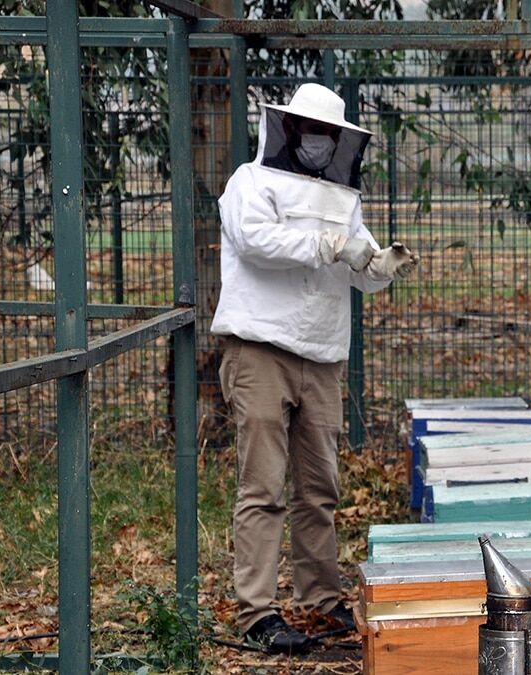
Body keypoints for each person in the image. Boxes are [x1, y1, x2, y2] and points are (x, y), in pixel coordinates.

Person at [211, 83, 420, 654]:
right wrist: (331, 246)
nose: (319, 143)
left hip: (323, 357)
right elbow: (254, 241)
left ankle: (321, 601)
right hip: (260, 349)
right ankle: (256, 614)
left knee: (319, 489)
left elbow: (363, 268)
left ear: (339, 140)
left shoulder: (343, 200)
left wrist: (383, 264)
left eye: (330, 135)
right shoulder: (248, 183)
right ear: (291, 131)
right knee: (262, 488)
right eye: (312, 132)